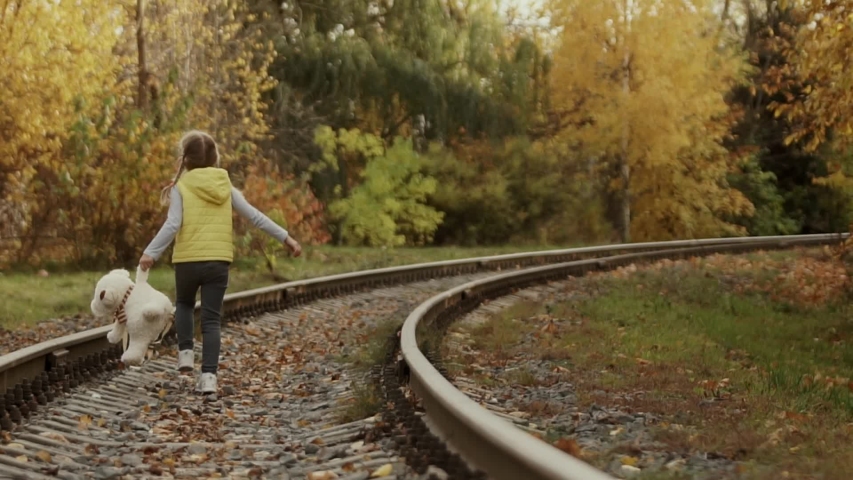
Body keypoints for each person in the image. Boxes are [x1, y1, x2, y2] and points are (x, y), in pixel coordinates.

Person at [139, 130, 301, 394]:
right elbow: (255, 216)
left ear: (186, 160)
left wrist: (151, 253)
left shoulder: (182, 187)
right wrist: (287, 238)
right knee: (212, 320)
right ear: (215, 158)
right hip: (218, 262)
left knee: (184, 304)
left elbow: (173, 224)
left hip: (188, 261)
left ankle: (186, 354)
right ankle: (209, 379)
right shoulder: (225, 186)